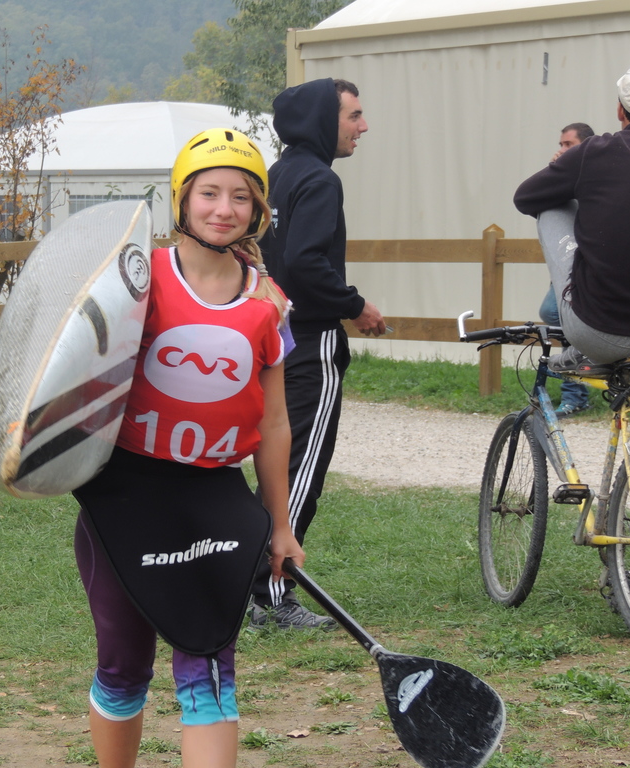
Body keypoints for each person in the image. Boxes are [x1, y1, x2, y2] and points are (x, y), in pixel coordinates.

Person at [71, 127, 306, 768]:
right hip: (126, 495)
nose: (223, 209)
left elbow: (275, 424)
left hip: (215, 500)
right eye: (209, 193)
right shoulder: (135, 279)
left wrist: (280, 523)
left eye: (240, 196)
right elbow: (69, 369)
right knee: (123, 666)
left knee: (210, 671)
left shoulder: (269, 302)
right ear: (182, 199)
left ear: (258, 209)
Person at [249, 78, 387, 630]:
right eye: (354, 116)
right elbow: (307, 264)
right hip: (309, 341)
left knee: (272, 462)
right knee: (299, 465)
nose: (363, 127)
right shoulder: (321, 180)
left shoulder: (273, 176)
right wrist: (356, 306)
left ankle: (246, 584)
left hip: (268, 338)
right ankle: (271, 596)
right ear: (322, 121)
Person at [515, 61, 630, 432]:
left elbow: (526, 197)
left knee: (550, 203)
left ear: (620, 110)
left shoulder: (595, 152)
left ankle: (581, 345)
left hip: (598, 331)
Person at [538, 122, 594, 418]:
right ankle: (578, 388)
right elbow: (539, 200)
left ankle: (576, 394)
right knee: (554, 314)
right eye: (560, 144)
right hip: (568, 262)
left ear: (585, 145)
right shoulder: (565, 174)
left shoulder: (598, 173)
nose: (561, 150)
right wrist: (554, 169)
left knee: (562, 316)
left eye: (568, 145)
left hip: (592, 264)